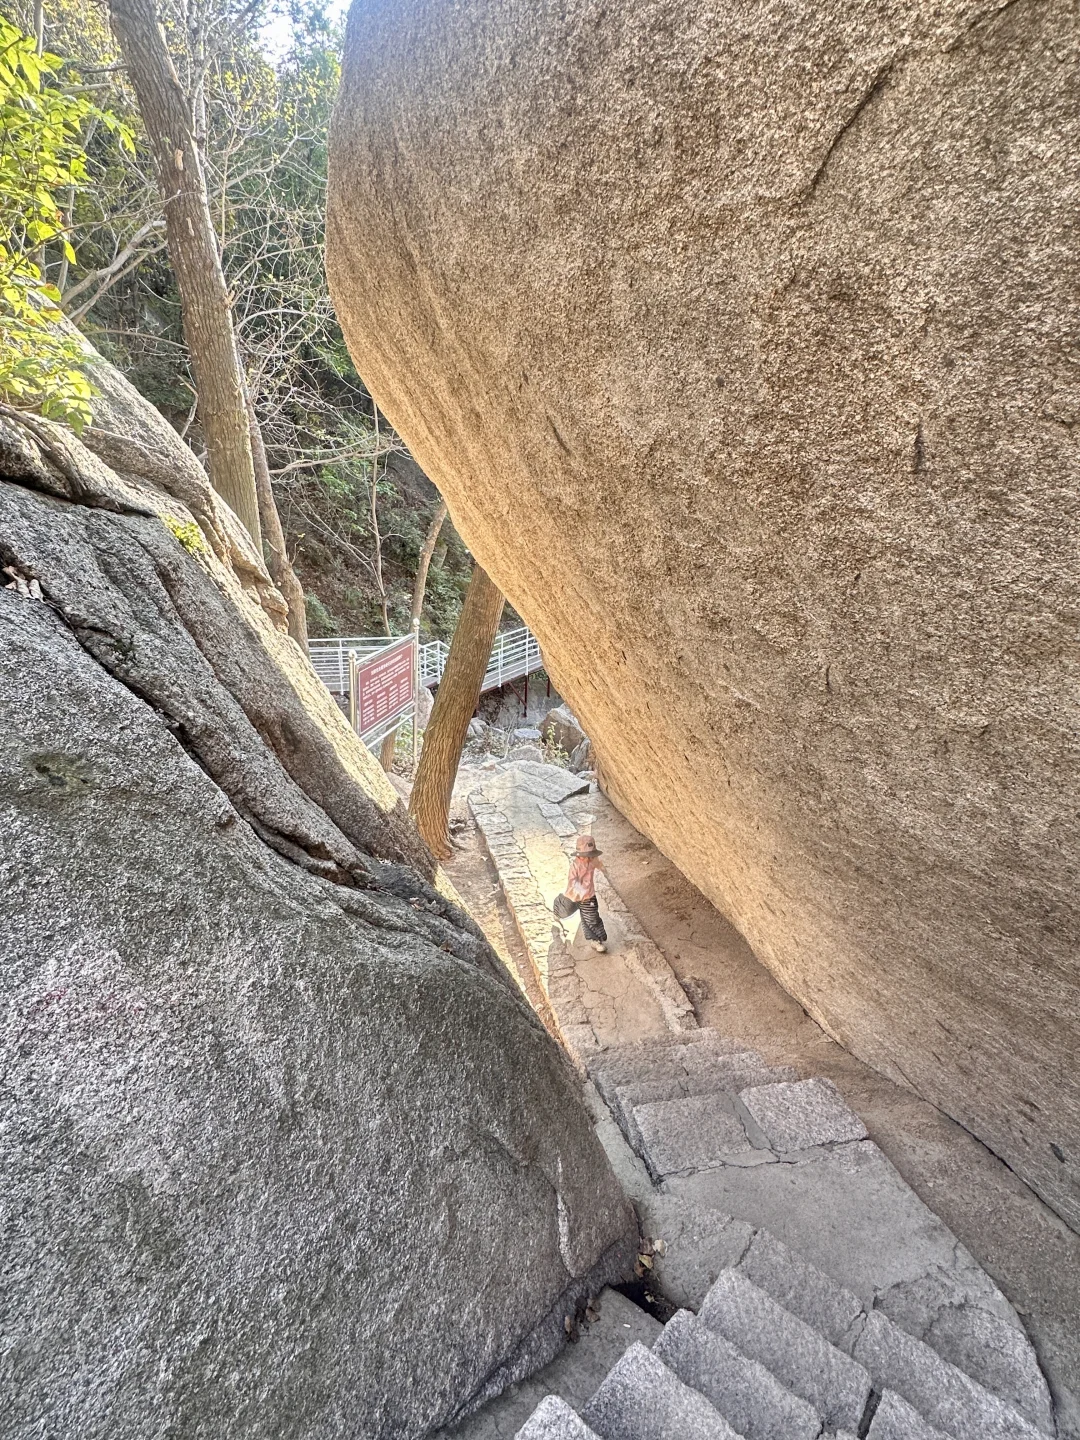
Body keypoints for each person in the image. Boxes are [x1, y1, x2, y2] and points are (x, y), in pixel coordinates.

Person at [553, 834, 608, 953]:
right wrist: (578, 891)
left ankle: (595, 940)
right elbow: (572, 881)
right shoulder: (575, 866)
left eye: (590, 855)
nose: (588, 858)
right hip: (574, 896)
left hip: (588, 896)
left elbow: (599, 864)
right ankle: (558, 906)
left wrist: (604, 870)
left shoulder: (593, 860)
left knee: (591, 918)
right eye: (585, 856)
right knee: (565, 911)